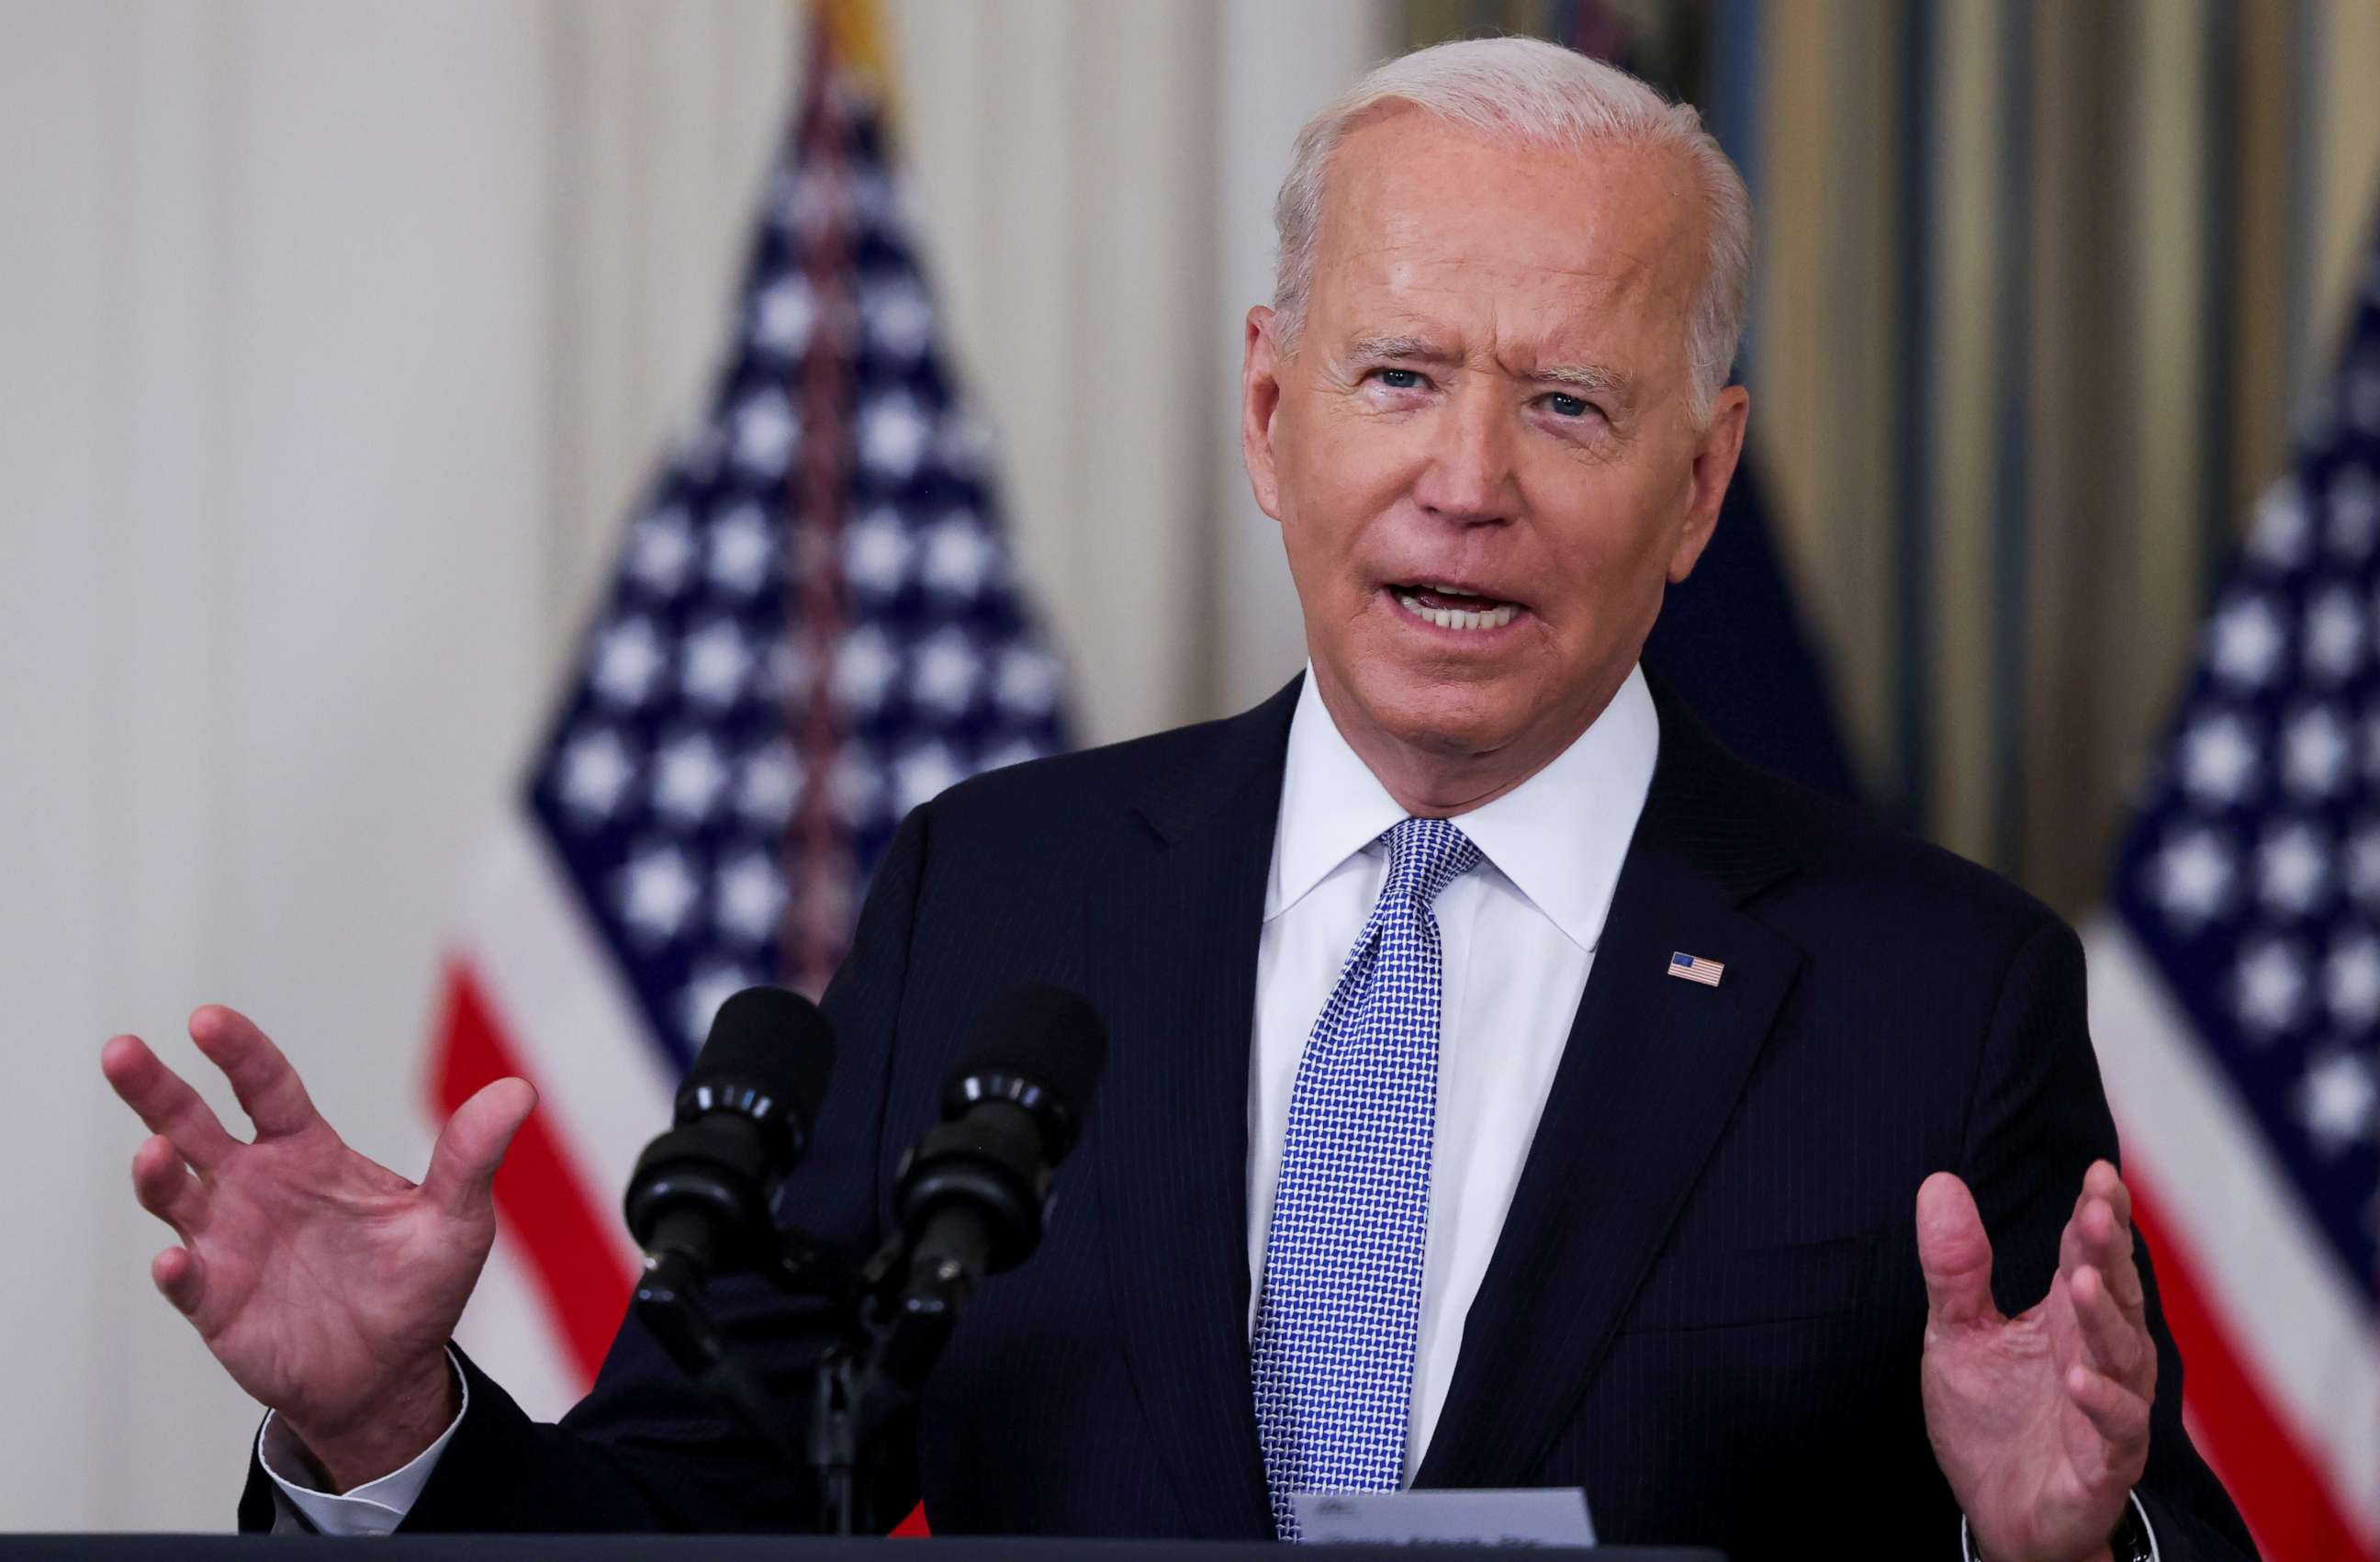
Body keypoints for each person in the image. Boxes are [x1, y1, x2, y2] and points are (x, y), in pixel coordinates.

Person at [101, 38, 2255, 1561]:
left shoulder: (1928, 989)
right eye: (1399, 374)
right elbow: (686, 1518)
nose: (1468, 479)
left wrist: (2047, 1548)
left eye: (1572, 401)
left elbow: (2128, 1505)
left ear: (1699, 485)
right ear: (1267, 405)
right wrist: (379, 1416)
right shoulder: (998, 902)